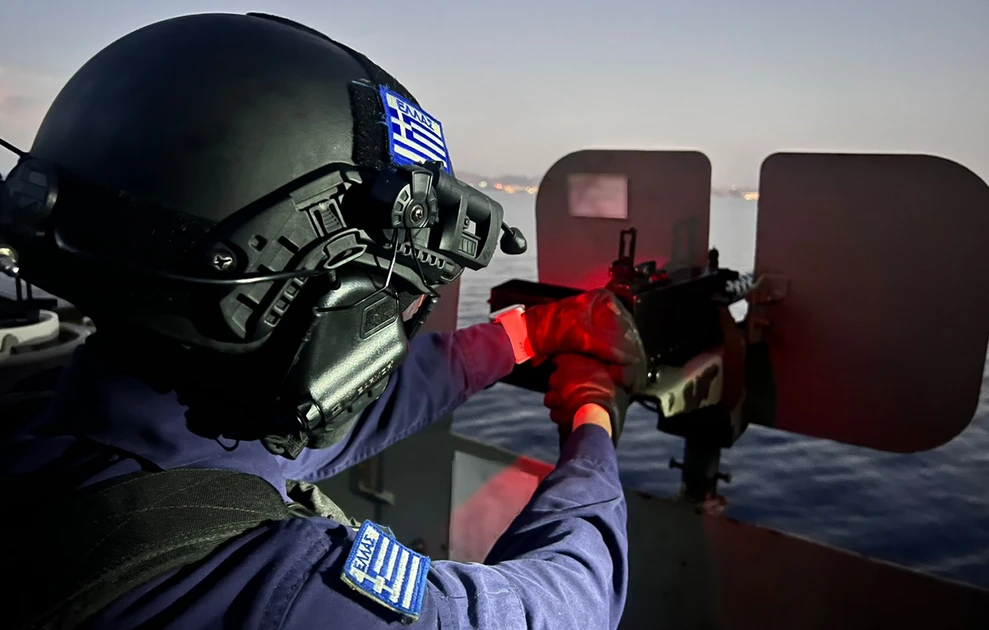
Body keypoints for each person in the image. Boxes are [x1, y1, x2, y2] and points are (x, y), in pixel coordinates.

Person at [0, 13, 647, 630]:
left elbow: (332, 417)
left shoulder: (41, 414)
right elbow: (564, 605)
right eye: (395, 298)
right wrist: (593, 417)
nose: (404, 323)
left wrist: (535, 333)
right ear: (289, 291)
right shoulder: (273, 597)